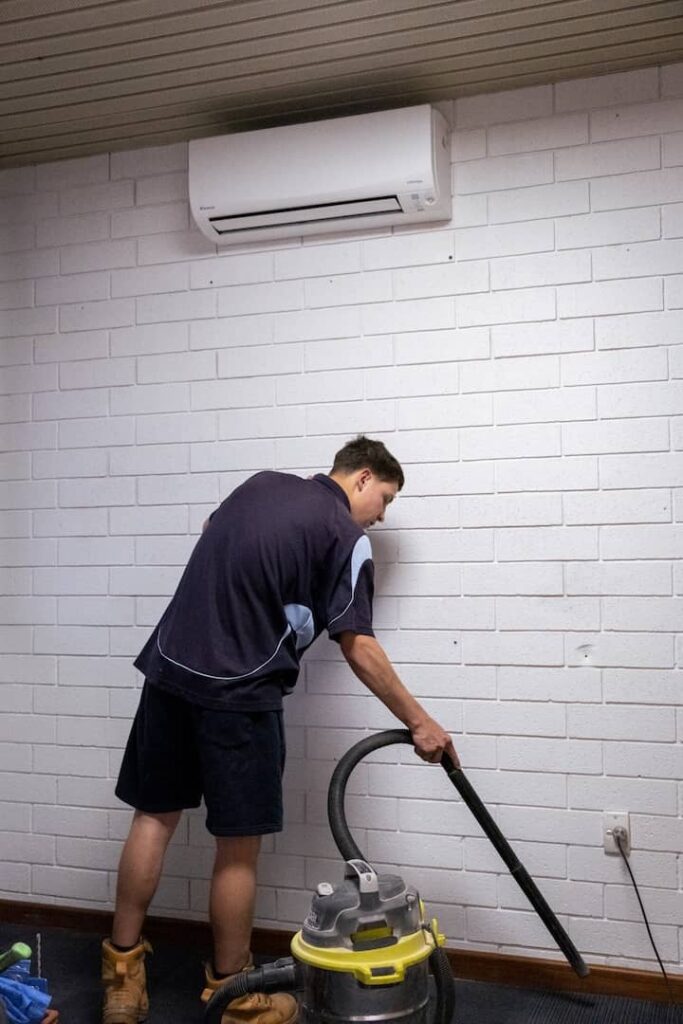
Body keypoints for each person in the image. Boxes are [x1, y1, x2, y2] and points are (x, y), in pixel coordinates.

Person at [102, 435, 459, 1024]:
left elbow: (212, 525)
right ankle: (236, 996)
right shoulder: (347, 538)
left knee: (152, 818)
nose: (381, 512)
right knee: (237, 850)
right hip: (240, 694)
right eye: (386, 498)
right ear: (363, 477)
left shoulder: (261, 483)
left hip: (168, 668)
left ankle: (121, 977)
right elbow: (360, 645)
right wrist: (420, 723)